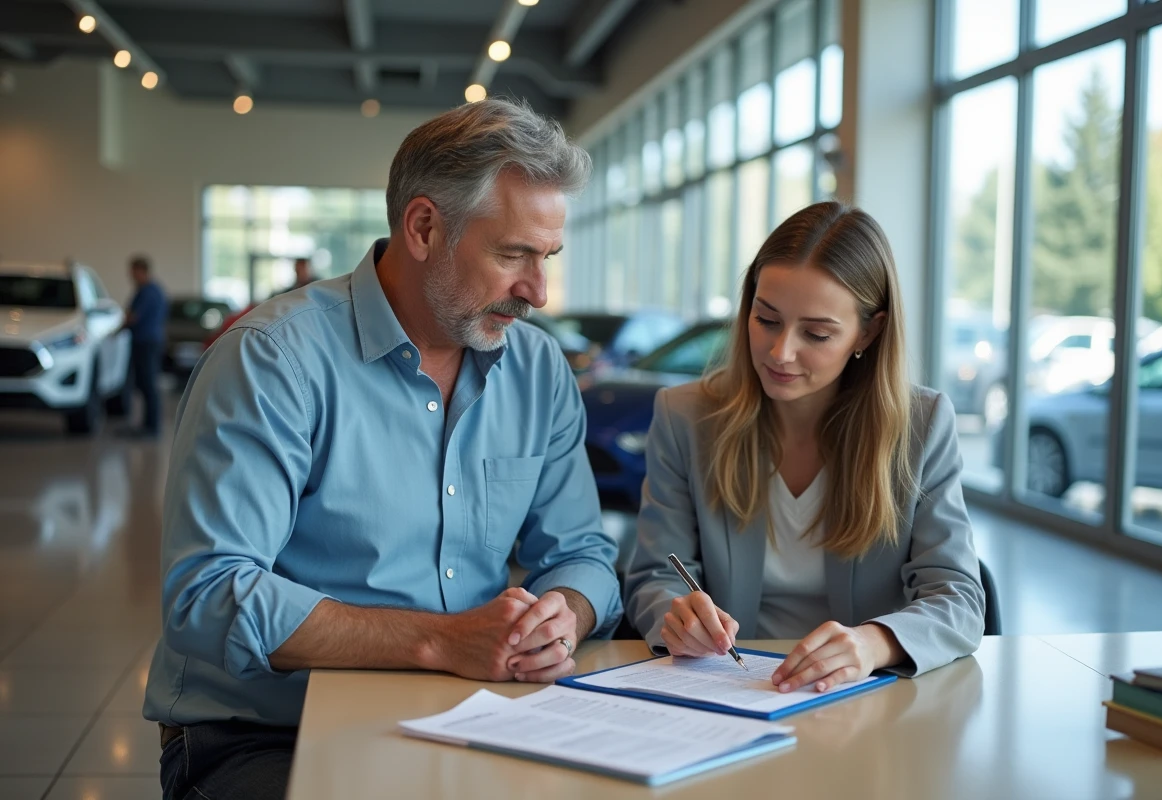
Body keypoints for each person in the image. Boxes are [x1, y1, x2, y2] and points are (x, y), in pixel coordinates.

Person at [143, 98, 621, 800]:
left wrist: (564, 614)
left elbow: (583, 553)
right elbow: (210, 595)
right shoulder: (273, 360)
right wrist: (437, 640)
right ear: (424, 226)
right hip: (269, 732)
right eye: (513, 254)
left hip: (475, 715)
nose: (539, 293)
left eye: (546, 256)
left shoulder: (538, 369)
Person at [623, 201, 984, 695]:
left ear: (870, 331)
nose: (780, 352)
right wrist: (675, 615)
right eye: (766, 319)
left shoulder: (920, 425)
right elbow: (651, 575)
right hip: (730, 691)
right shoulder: (685, 416)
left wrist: (873, 644)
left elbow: (959, 598)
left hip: (869, 703)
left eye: (816, 333)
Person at [123, 255, 168, 437]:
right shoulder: (152, 290)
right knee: (145, 383)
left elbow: (133, 317)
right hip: (148, 341)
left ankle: (152, 427)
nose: (131, 275)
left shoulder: (148, 292)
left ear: (142, 271)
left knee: (148, 384)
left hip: (146, 343)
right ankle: (147, 425)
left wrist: (118, 328)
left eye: (133, 271)